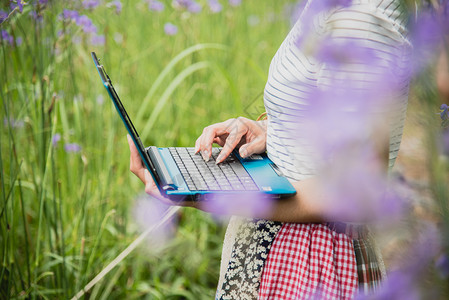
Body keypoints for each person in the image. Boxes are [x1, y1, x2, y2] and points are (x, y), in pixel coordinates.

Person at [128, 0, 411, 298]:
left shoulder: (359, 17)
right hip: (287, 249)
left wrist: (208, 196)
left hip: (310, 262)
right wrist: (270, 131)